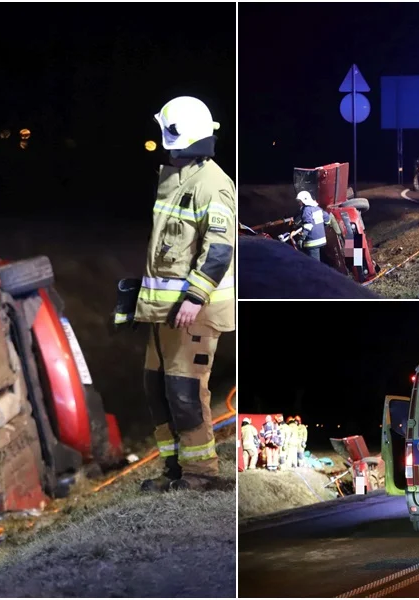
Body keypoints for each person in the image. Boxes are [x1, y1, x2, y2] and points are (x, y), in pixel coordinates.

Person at [137, 96, 236, 493]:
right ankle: (173, 469)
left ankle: (201, 474)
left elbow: (220, 248)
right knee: (156, 388)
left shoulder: (211, 184)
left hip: (195, 312)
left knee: (185, 392)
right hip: (167, 313)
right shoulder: (177, 179)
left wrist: (195, 297)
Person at [294, 191, 331, 261]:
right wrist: (323, 226)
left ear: (304, 201)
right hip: (322, 239)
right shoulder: (317, 208)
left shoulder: (306, 210)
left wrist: (302, 238)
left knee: (314, 264)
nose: (299, 203)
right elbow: (327, 218)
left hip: (313, 242)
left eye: (299, 201)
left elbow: (308, 225)